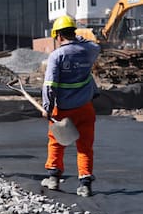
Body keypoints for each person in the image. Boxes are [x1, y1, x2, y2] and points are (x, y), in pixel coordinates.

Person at [40, 15, 101, 197]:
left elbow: (49, 85)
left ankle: (53, 179)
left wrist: (47, 108)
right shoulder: (88, 51)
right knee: (85, 145)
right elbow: (95, 45)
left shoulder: (56, 56)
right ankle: (85, 184)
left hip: (63, 109)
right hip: (85, 107)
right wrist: (79, 39)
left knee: (56, 142)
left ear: (58, 36)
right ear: (73, 32)